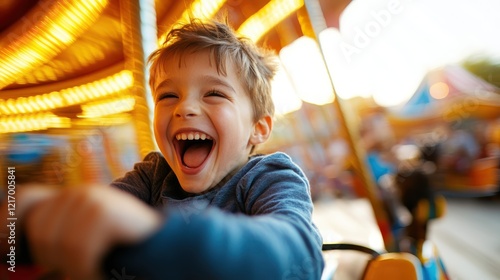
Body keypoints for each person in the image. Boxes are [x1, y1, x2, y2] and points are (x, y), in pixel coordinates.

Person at [1, 18, 324, 280]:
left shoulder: (268, 176)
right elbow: (102, 216)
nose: (185, 108)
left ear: (259, 127)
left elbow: (300, 255)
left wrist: (154, 231)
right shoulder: (152, 175)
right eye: (168, 96)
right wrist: (37, 216)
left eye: (213, 93)